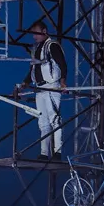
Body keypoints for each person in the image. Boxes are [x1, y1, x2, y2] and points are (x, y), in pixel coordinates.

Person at [24, 23, 64, 158]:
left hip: (51, 86)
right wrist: (25, 82)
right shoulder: (36, 49)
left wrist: (63, 81)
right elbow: (33, 69)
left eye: (36, 33)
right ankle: (44, 153)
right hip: (39, 88)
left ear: (44, 31)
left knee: (55, 119)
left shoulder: (51, 45)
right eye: (33, 33)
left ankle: (57, 152)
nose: (34, 36)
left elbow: (62, 64)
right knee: (43, 122)